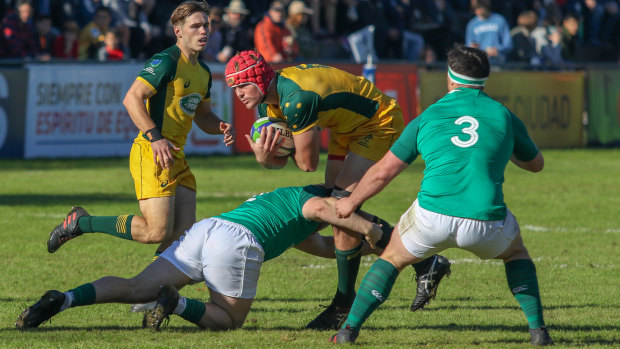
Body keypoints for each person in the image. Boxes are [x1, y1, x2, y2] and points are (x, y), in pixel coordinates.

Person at [330, 44, 553, 346]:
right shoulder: (503, 116)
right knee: (516, 254)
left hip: (431, 217)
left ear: (450, 79)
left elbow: (384, 171)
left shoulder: (429, 116)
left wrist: (351, 202)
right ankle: (538, 332)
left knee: (392, 259)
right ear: (485, 79)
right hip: (485, 221)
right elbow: (536, 165)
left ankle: (348, 331)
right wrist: (504, 148)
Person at [225, 50, 451, 330]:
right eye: (233, 88)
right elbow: (280, 162)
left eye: (243, 85)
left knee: (340, 208)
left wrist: (272, 154)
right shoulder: (268, 105)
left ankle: (343, 305)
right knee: (333, 205)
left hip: (377, 122)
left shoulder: (296, 100)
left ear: (260, 80)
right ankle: (424, 263)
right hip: (345, 127)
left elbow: (307, 164)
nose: (239, 94)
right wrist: (266, 159)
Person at [16, 184, 386, 331]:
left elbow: (326, 247)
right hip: (237, 242)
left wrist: (379, 248)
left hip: (208, 230)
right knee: (228, 320)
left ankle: (63, 299)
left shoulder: (285, 204)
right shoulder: (314, 199)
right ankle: (175, 305)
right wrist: (369, 228)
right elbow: (324, 208)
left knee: (134, 288)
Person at [46, 2, 234, 263]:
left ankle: (152, 294)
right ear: (178, 31)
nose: (203, 31)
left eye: (206, 25)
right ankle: (81, 222)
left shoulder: (203, 72)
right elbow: (132, 98)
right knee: (154, 231)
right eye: (196, 26)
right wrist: (155, 138)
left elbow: (203, 115)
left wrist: (220, 125)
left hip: (176, 157)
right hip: (152, 152)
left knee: (183, 236)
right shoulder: (166, 61)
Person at [465, 0, 513, 65]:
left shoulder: (500, 20)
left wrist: (497, 49)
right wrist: (475, 49)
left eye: (480, 8)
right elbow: (469, 45)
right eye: (476, 9)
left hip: (498, 62)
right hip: (480, 63)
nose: (479, 11)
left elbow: (508, 44)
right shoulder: (472, 24)